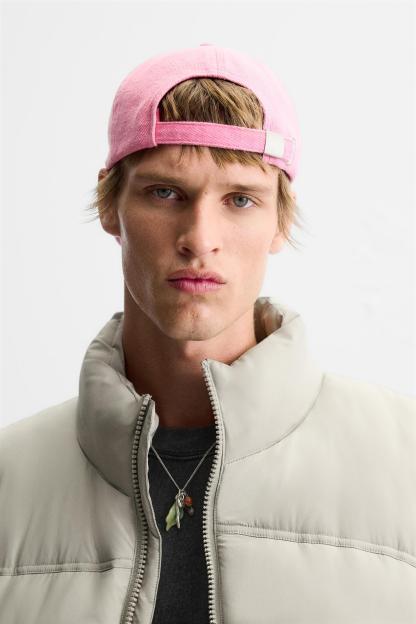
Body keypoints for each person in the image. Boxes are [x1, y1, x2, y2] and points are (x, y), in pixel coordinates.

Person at [0, 43, 415, 624]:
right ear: (110, 205)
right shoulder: (9, 479)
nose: (200, 238)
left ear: (279, 219)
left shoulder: (405, 461)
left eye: (240, 199)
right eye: (165, 192)